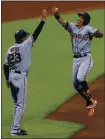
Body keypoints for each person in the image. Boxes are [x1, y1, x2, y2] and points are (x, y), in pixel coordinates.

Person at [50, 5, 103, 116]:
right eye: (79, 17)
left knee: (80, 78)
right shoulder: (72, 27)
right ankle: (90, 102)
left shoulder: (88, 29)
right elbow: (63, 22)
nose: (79, 19)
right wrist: (56, 15)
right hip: (76, 60)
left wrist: (98, 34)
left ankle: (88, 93)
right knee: (75, 85)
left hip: (85, 58)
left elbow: (99, 32)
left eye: (81, 18)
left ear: (85, 21)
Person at [3, 9, 47, 136]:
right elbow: (36, 34)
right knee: (21, 104)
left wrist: (6, 79)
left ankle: (15, 127)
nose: (28, 37)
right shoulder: (25, 45)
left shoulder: (10, 49)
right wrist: (43, 21)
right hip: (20, 78)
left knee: (17, 104)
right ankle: (14, 129)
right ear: (23, 38)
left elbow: (5, 65)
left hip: (11, 76)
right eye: (26, 36)